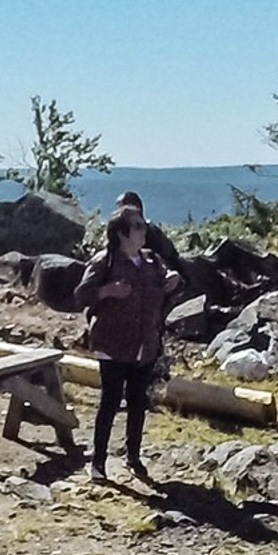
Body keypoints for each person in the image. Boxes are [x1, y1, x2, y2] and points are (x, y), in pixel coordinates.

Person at [77, 204, 178, 484]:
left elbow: (165, 294)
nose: (143, 230)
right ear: (122, 233)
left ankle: (133, 456)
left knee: (137, 402)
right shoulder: (105, 261)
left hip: (144, 345)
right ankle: (98, 462)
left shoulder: (151, 261)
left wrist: (173, 281)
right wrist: (108, 291)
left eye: (143, 225)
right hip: (112, 343)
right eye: (137, 226)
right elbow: (81, 295)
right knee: (109, 403)